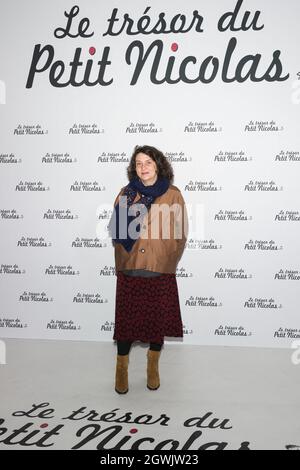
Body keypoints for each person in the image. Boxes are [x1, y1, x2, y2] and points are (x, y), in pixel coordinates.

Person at [108, 144, 188, 394]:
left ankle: (152, 368)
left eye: (148, 163)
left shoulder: (173, 194)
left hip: (159, 268)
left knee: (156, 322)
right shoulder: (126, 193)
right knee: (126, 325)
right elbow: (116, 232)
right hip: (131, 267)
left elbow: (181, 233)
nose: (143, 168)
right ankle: (121, 370)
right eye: (139, 163)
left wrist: (166, 259)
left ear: (158, 165)